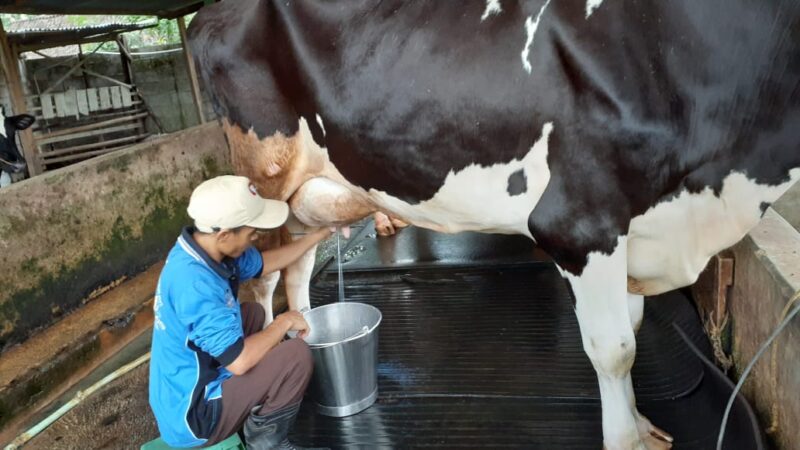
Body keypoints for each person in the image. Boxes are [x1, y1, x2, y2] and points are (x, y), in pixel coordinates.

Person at [148, 175, 329, 449]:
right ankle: (267, 443)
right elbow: (240, 362)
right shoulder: (194, 284)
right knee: (296, 355)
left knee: (253, 313)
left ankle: (252, 402)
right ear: (224, 235)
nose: (256, 238)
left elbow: (265, 262)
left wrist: (317, 236)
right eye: (252, 233)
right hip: (195, 416)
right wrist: (282, 323)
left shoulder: (205, 248)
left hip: (187, 382)